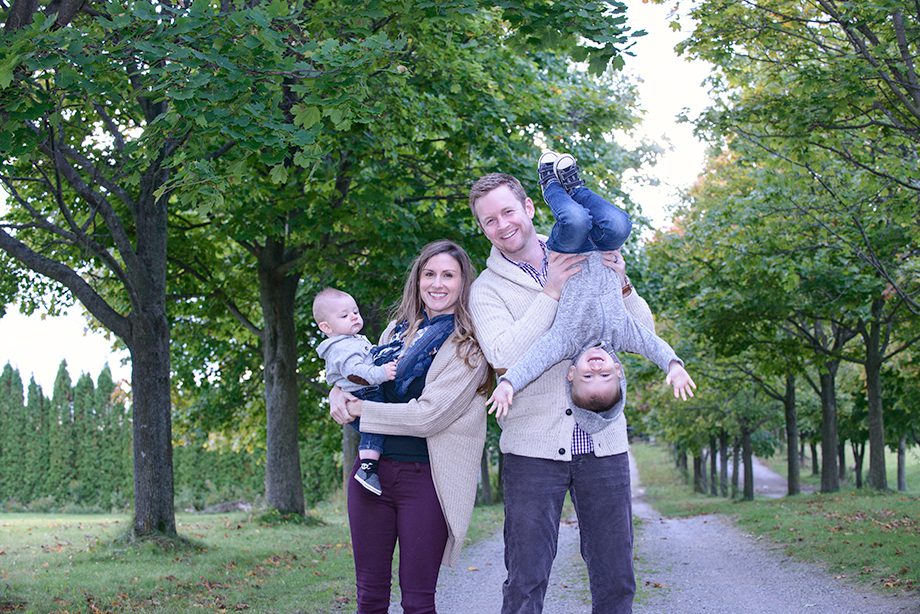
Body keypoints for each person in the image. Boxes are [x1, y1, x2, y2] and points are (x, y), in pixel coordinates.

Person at [468, 160, 663, 614]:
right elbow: (502, 355)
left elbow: (642, 332)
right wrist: (551, 291)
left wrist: (624, 283)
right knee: (526, 580)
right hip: (532, 452)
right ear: (482, 230)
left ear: (530, 207)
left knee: (615, 577)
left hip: (604, 444)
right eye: (489, 221)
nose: (502, 225)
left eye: (507, 212)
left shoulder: (587, 251)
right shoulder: (486, 289)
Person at [328, 239, 490, 614]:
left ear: (463, 283)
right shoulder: (395, 332)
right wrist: (338, 392)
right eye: (429, 274)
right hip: (372, 474)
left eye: (448, 275)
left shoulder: (469, 346)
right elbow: (363, 379)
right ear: (417, 281)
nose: (437, 283)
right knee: (369, 596)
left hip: (427, 481)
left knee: (418, 601)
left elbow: (428, 416)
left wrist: (359, 410)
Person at [486, 152, 695, 425]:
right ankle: (576, 188)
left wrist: (509, 383)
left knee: (576, 220)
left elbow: (535, 360)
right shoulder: (621, 333)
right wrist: (673, 364)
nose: (596, 367)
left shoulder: (564, 341)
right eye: (605, 375)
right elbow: (651, 343)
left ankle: (550, 184)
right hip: (605, 248)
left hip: (569, 250)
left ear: (571, 373)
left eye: (588, 376)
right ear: (618, 370)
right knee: (620, 224)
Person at [312, 288, 399, 496]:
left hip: (365, 391)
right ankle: (367, 468)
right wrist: (382, 373)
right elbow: (356, 373)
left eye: (355, 311)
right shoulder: (342, 348)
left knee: (377, 429)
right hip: (363, 393)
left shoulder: (353, 340)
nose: (353, 316)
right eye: (344, 315)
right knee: (374, 429)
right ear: (326, 327)